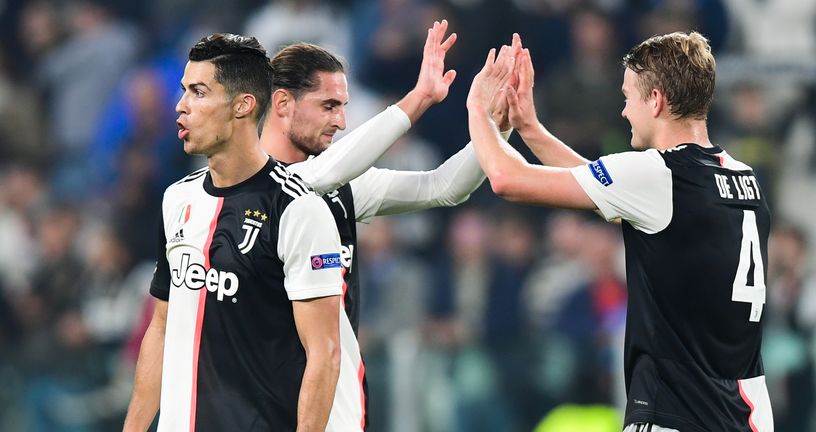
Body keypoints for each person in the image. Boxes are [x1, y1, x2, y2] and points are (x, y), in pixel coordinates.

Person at [466, 33, 773, 431]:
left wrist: (478, 109)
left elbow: (506, 179)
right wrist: (530, 128)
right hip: (747, 416)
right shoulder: (743, 178)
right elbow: (604, 190)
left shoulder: (659, 174)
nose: (625, 111)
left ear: (656, 100)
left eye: (628, 97)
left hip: (677, 413)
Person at [258, 20, 512, 429]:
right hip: (260, 400)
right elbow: (310, 179)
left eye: (343, 106)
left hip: (337, 403)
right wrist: (420, 96)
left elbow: (443, 186)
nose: (341, 121)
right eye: (328, 106)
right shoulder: (251, 187)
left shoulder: (341, 188)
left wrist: (495, 125)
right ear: (283, 103)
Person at [123, 33, 354, 432]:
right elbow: (161, 327)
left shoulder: (298, 209)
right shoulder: (176, 199)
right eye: (184, 90)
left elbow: (325, 353)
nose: (181, 105)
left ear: (243, 106)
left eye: (198, 92)